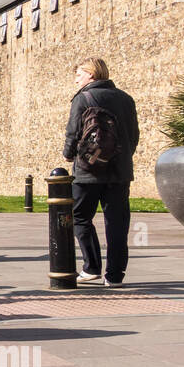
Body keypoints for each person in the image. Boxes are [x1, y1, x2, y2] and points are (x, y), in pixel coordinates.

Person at [63, 57, 139, 287]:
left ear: (91, 75)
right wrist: (122, 156)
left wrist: (68, 155)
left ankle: (91, 267)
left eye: (79, 74)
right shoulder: (126, 99)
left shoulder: (83, 97)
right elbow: (133, 135)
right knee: (117, 223)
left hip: (89, 170)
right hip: (119, 171)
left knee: (79, 216)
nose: (76, 79)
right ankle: (114, 276)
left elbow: (73, 132)